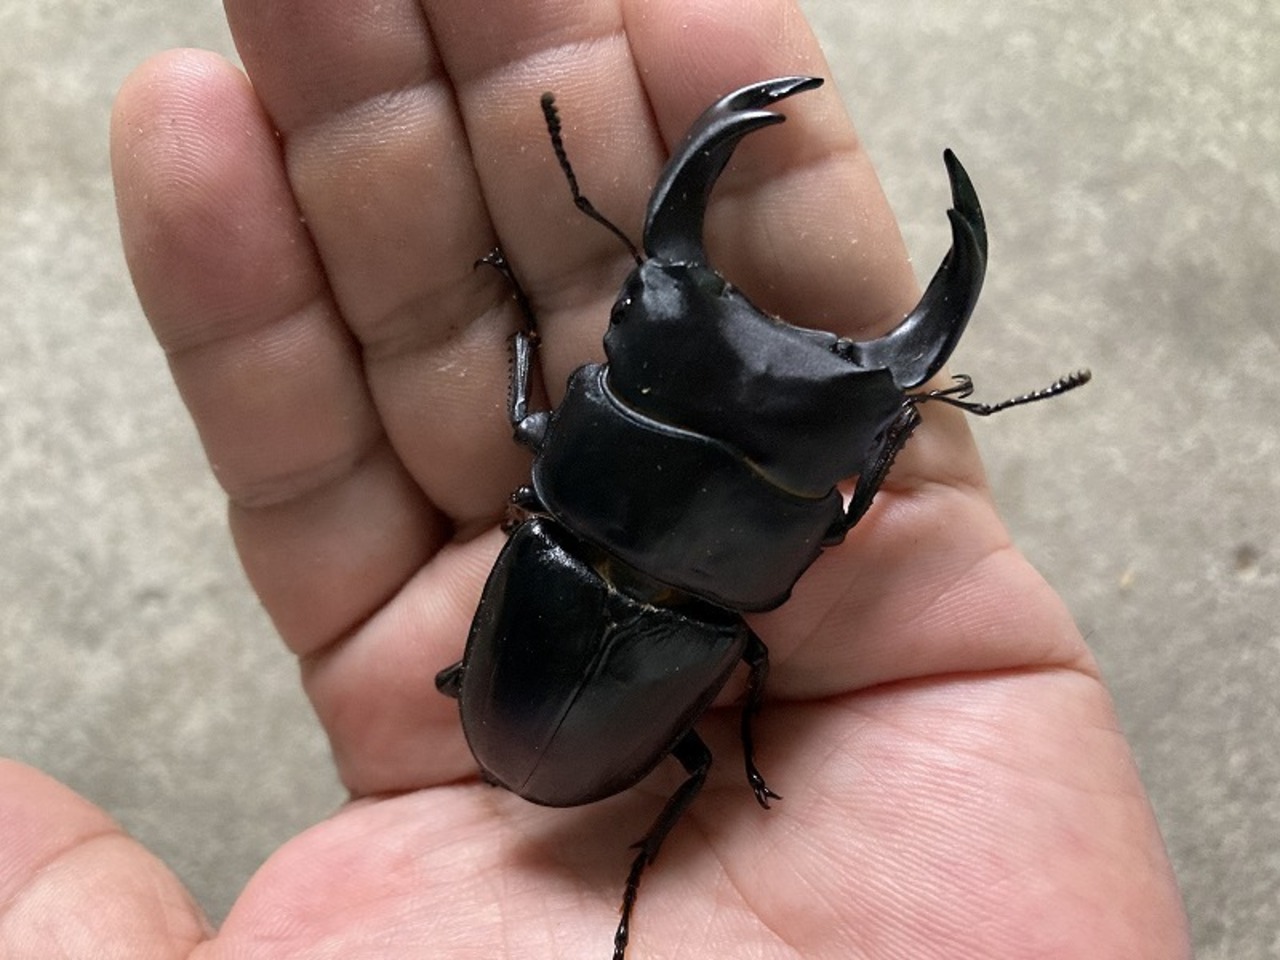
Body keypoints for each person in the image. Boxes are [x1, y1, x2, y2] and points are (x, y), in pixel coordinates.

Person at [0, 0, 1191, 955]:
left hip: (540, 681)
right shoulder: (737, 608)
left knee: (680, 697)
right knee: (707, 738)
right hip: (578, 696)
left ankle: (634, 870)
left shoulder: (550, 503)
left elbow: (532, 416)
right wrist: (884, 416)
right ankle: (636, 865)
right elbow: (812, 535)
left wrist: (532, 323)